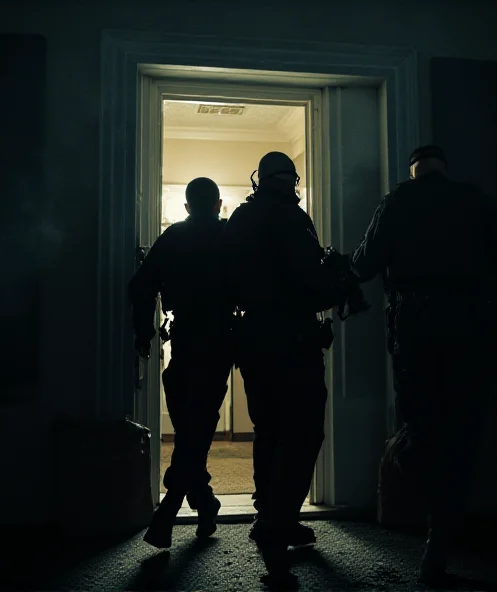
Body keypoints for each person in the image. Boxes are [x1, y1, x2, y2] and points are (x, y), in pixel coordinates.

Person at [348, 145, 497, 585]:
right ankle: (443, 532)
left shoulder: (398, 201)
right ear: (445, 170)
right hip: (474, 329)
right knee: (463, 429)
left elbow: (364, 265)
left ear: (414, 171)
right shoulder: (478, 202)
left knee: (422, 427)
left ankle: (435, 526)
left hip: (416, 328)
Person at [223, 152, 356, 567]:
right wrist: (337, 281)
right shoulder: (293, 219)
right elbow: (311, 285)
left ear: (258, 179)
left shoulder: (240, 221)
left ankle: (271, 517)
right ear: (291, 180)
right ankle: (280, 520)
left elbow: (227, 280)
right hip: (293, 341)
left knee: (269, 430)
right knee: (303, 433)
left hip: (252, 339)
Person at [128, 177, 234, 549]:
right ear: (219, 204)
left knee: (193, 426)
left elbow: (140, 286)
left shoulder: (174, 237)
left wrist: (145, 333)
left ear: (187, 207)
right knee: (195, 428)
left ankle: (168, 511)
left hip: (191, 343)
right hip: (218, 343)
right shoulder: (229, 237)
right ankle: (205, 500)